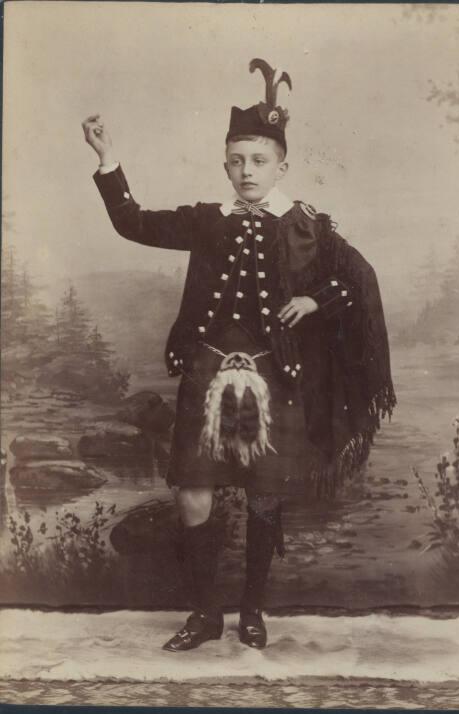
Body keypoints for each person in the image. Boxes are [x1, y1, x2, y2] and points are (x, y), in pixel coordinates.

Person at [82, 58, 396, 652]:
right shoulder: (206, 221)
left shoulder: (306, 226)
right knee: (192, 489)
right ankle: (206, 614)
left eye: (258, 161)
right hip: (205, 368)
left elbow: (359, 280)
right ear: (224, 164)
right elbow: (132, 222)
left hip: (276, 375)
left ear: (281, 166)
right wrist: (107, 158)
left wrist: (315, 298)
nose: (247, 171)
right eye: (236, 161)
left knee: (264, 492)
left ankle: (252, 610)